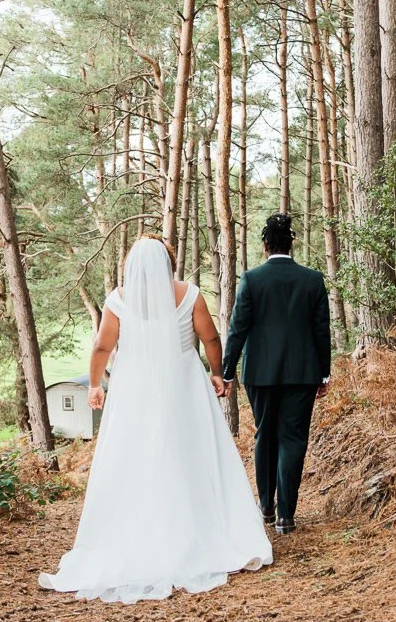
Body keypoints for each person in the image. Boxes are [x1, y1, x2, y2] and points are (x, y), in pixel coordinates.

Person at [38, 235, 272, 603]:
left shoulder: (119, 299)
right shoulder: (189, 294)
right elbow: (210, 338)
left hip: (134, 388)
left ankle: (139, 531)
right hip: (183, 382)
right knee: (192, 451)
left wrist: (95, 385)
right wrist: (217, 373)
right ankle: (201, 530)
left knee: (136, 455)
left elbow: (102, 345)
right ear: (169, 262)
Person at [222, 212, 331, 535]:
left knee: (264, 434)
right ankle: (286, 515)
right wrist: (324, 373)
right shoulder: (312, 279)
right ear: (291, 244)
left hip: (260, 372)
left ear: (265, 244)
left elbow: (237, 328)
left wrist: (227, 371)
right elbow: (321, 330)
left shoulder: (252, 279)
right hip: (303, 372)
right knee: (293, 438)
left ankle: (266, 506)